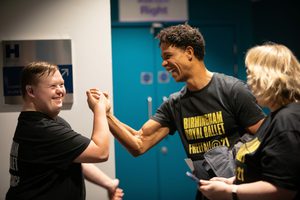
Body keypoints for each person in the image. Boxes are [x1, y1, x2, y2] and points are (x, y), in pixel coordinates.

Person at [104, 23, 265, 199]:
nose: (164, 63)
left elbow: (265, 139)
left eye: (168, 56)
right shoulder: (175, 104)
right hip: (206, 192)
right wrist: (106, 115)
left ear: (189, 52)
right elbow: (139, 143)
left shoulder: (232, 90)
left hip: (238, 190)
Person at [6, 61, 124, 200]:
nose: (61, 91)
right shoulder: (40, 129)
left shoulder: (49, 122)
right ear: (31, 91)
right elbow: (101, 152)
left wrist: (108, 184)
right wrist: (100, 109)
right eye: (53, 86)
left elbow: (74, 156)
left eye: (61, 84)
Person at [199, 43, 300, 200]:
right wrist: (232, 182)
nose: (248, 82)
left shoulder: (287, 120)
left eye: (250, 73)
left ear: (267, 75)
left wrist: (230, 192)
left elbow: (283, 190)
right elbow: (262, 172)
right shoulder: (274, 117)